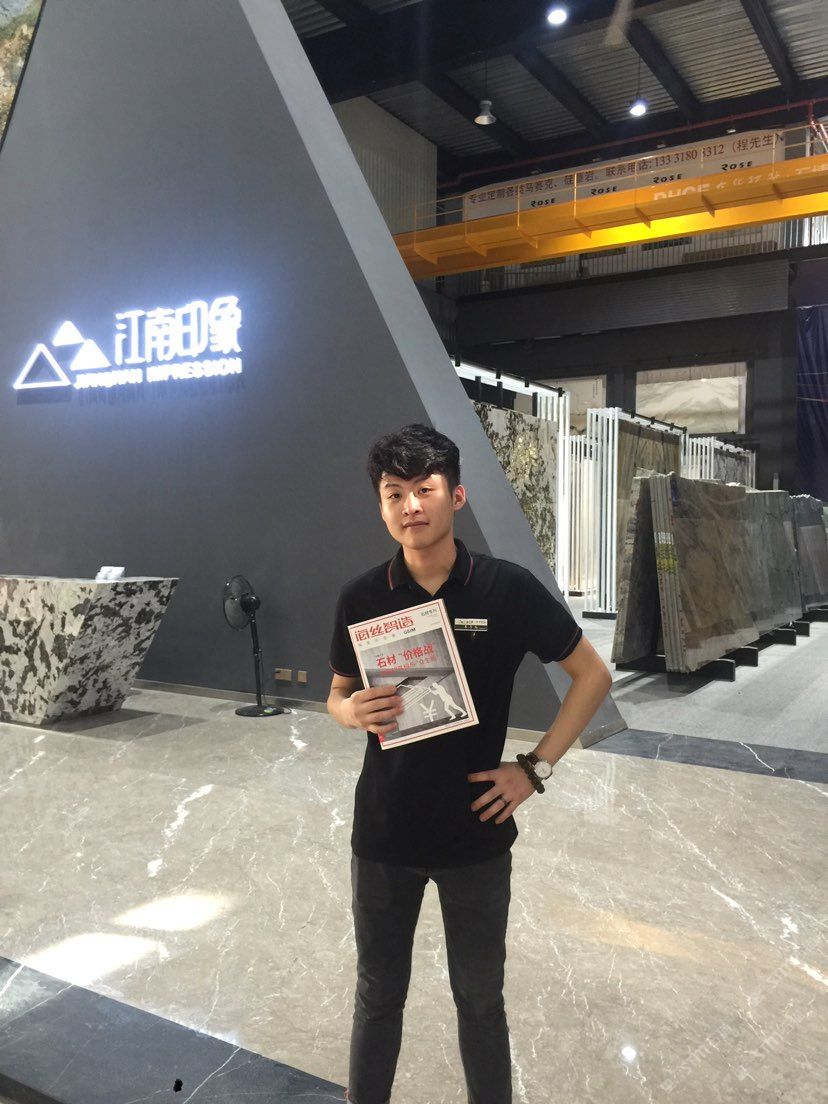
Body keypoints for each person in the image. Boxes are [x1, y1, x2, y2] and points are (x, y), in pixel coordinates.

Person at [327, 423, 612, 1104]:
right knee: (377, 997)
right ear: (381, 506)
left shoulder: (506, 589)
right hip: (385, 833)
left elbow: (592, 676)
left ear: (455, 496)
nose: (410, 506)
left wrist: (534, 769)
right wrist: (351, 712)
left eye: (423, 489)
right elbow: (335, 696)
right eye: (394, 493)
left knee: (481, 1001)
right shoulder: (362, 598)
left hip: (476, 834)